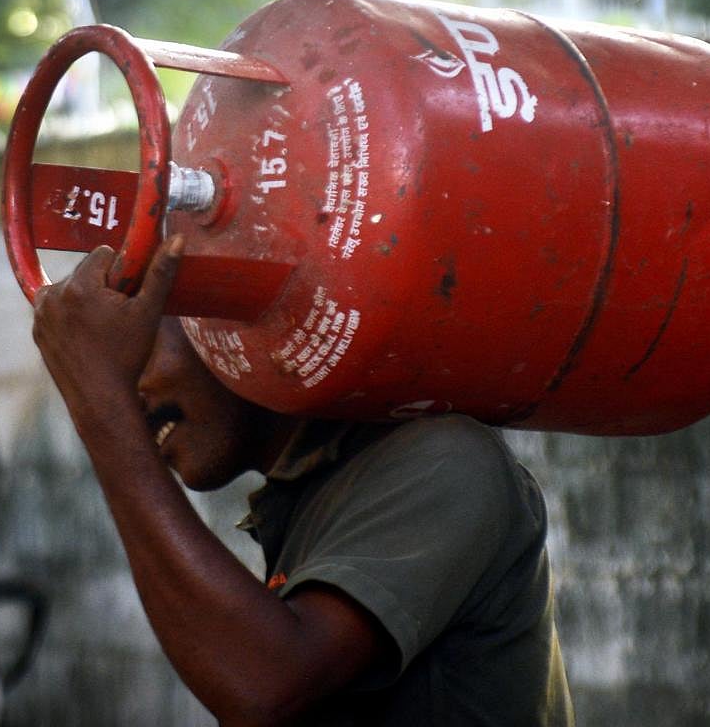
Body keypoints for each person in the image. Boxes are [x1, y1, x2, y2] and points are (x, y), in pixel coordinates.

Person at [31, 234, 574, 726]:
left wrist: (103, 409)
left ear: (225, 319)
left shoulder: (445, 460)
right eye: (113, 368)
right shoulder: (312, 492)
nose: (131, 391)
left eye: (138, 350)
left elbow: (263, 686)